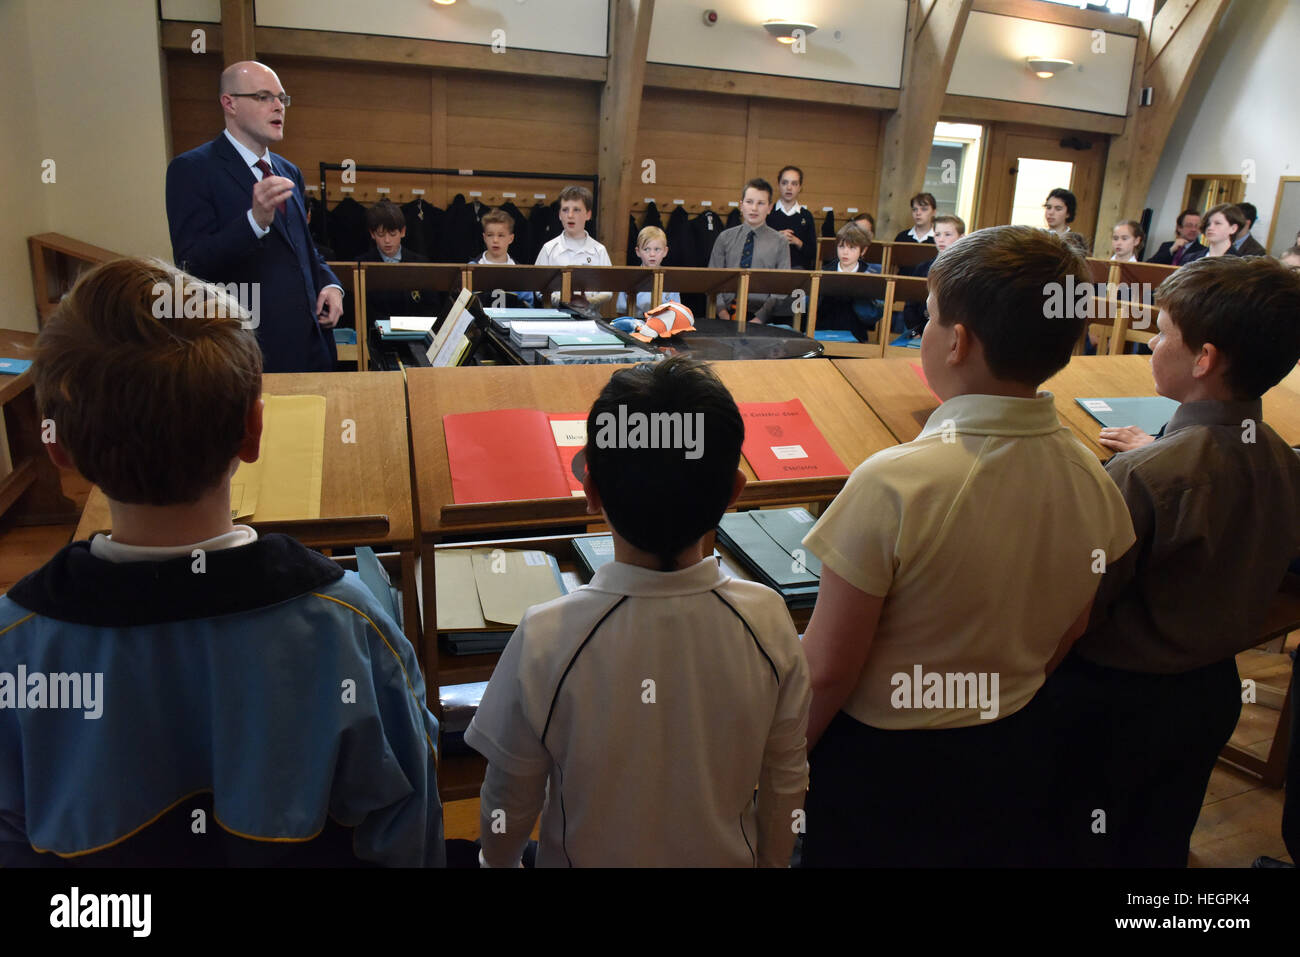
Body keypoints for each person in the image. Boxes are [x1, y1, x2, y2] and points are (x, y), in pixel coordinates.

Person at [0, 258, 444, 867]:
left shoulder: (14, 641)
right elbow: (406, 827)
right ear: (254, 431)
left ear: (57, 449)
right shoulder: (348, 623)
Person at [797, 226, 1135, 867]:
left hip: (887, 760)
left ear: (957, 341)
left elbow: (827, 669)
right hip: (1015, 741)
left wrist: (782, 761)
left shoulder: (894, 480)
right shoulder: (1092, 473)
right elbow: (1073, 627)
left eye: (926, 318)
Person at [465, 356, 811, 867]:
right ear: (735, 493)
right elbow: (786, 781)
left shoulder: (546, 635)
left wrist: (499, 863)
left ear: (591, 492)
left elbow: (509, 799)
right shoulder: (769, 621)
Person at [1048, 256, 1300, 867]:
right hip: (1209, 692)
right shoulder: (1282, 457)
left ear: (1204, 360)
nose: (1153, 344)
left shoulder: (1145, 474)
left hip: (1117, 701)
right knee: (1160, 840)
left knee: (1087, 841)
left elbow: (1082, 605)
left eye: (1161, 332)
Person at [165, 60, 343, 374]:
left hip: (312, 346)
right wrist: (254, 222)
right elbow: (190, 264)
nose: (278, 106)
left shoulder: (289, 171)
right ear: (229, 103)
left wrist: (329, 284)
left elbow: (303, 249)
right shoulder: (193, 169)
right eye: (264, 97)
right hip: (249, 352)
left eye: (282, 98)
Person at [709, 178, 792, 323]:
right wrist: (722, 312)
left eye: (760, 203)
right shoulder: (724, 237)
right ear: (741, 205)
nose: (754, 208)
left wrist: (760, 318)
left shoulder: (780, 242)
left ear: (769, 207)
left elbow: (782, 287)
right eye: (749, 202)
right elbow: (712, 278)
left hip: (762, 315)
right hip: (724, 314)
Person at [534, 185, 611, 308]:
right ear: (559, 214)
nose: (570, 215)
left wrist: (588, 301)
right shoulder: (549, 249)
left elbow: (608, 290)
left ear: (588, 214)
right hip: (555, 319)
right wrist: (563, 300)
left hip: (590, 319)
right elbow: (538, 288)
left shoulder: (599, 250)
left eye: (576, 210)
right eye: (565, 210)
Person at [816, 222, 883, 342]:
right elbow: (807, 307)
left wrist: (857, 291)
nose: (845, 252)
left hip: (857, 335)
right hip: (823, 332)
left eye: (852, 247)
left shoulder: (871, 276)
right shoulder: (823, 273)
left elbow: (873, 315)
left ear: (863, 251)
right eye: (841, 246)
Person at [900, 214, 965, 336]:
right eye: (937, 234)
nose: (941, 239)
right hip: (920, 330)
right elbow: (910, 305)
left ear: (961, 238)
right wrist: (915, 331)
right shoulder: (923, 268)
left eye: (947, 234)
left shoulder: (965, 270)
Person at [471, 207, 534, 307]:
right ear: (484, 238)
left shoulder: (520, 272)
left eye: (501, 235)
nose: (495, 240)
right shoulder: (471, 269)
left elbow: (528, 307)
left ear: (511, 238)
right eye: (490, 235)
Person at [616, 226, 680, 317]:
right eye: (646, 249)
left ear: (665, 251)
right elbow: (621, 311)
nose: (652, 254)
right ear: (638, 252)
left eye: (657, 249)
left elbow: (677, 312)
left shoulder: (671, 280)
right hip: (635, 326)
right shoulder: (629, 279)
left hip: (664, 327)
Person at [767, 165, 818, 270]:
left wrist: (797, 242)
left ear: (800, 187)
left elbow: (813, 253)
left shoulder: (806, 216)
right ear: (778, 185)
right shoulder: (767, 213)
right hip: (771, 270)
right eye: (785, 183)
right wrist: (776, 238)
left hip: (800, 272)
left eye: (794, 184)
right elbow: (757, 248)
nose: (789, 188)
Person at [1043, 188, 1090, 254]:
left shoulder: (1075, 242)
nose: (1051, 212)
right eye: (1048, 207)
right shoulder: (1039, 237)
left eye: (1058, 209)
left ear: (1068, 213)